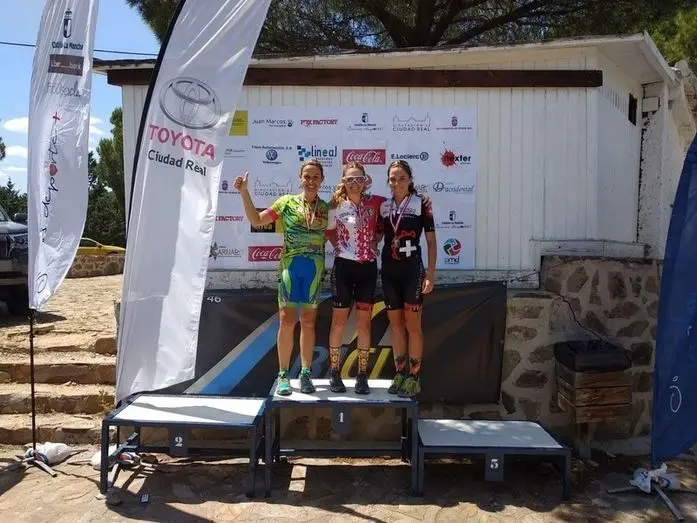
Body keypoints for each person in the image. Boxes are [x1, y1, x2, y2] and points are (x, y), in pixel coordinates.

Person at [233, 159, 329, 396]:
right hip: (290, 267)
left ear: (322, 180)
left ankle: (305, 373)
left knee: (308, 321)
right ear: (300, 178)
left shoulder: (327, 208)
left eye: (315, 177)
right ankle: (283, 374)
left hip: (314, 270)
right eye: (307, 176)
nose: (311, 181)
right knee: (286, 321)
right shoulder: (286, 202)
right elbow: (257, 220)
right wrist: (244, 192)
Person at [325, 162, 385, 395]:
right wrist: (339, 246)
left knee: (364, 322)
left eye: (359, 179)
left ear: (366, 180)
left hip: (367, 268)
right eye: (350, 179)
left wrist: (376, 239)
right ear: (344, 182)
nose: (355, 184)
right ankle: (334, 372)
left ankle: (362, 374)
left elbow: (385, 222)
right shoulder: (336, 204)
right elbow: (328, 230)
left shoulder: (377, 202)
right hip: (343, 267)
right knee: (339, 321)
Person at [379, 159, 437, 398]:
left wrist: (430, 274)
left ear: (410, 180)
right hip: (389, 271)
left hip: (413, 271)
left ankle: (414, 376)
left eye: (402, 178)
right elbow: (377, 235)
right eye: (393, 179)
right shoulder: (384, 207)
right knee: (395, 325)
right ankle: (400, 373)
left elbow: (431, 242)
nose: (397, 183)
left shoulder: (422, 204)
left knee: (413, 325)